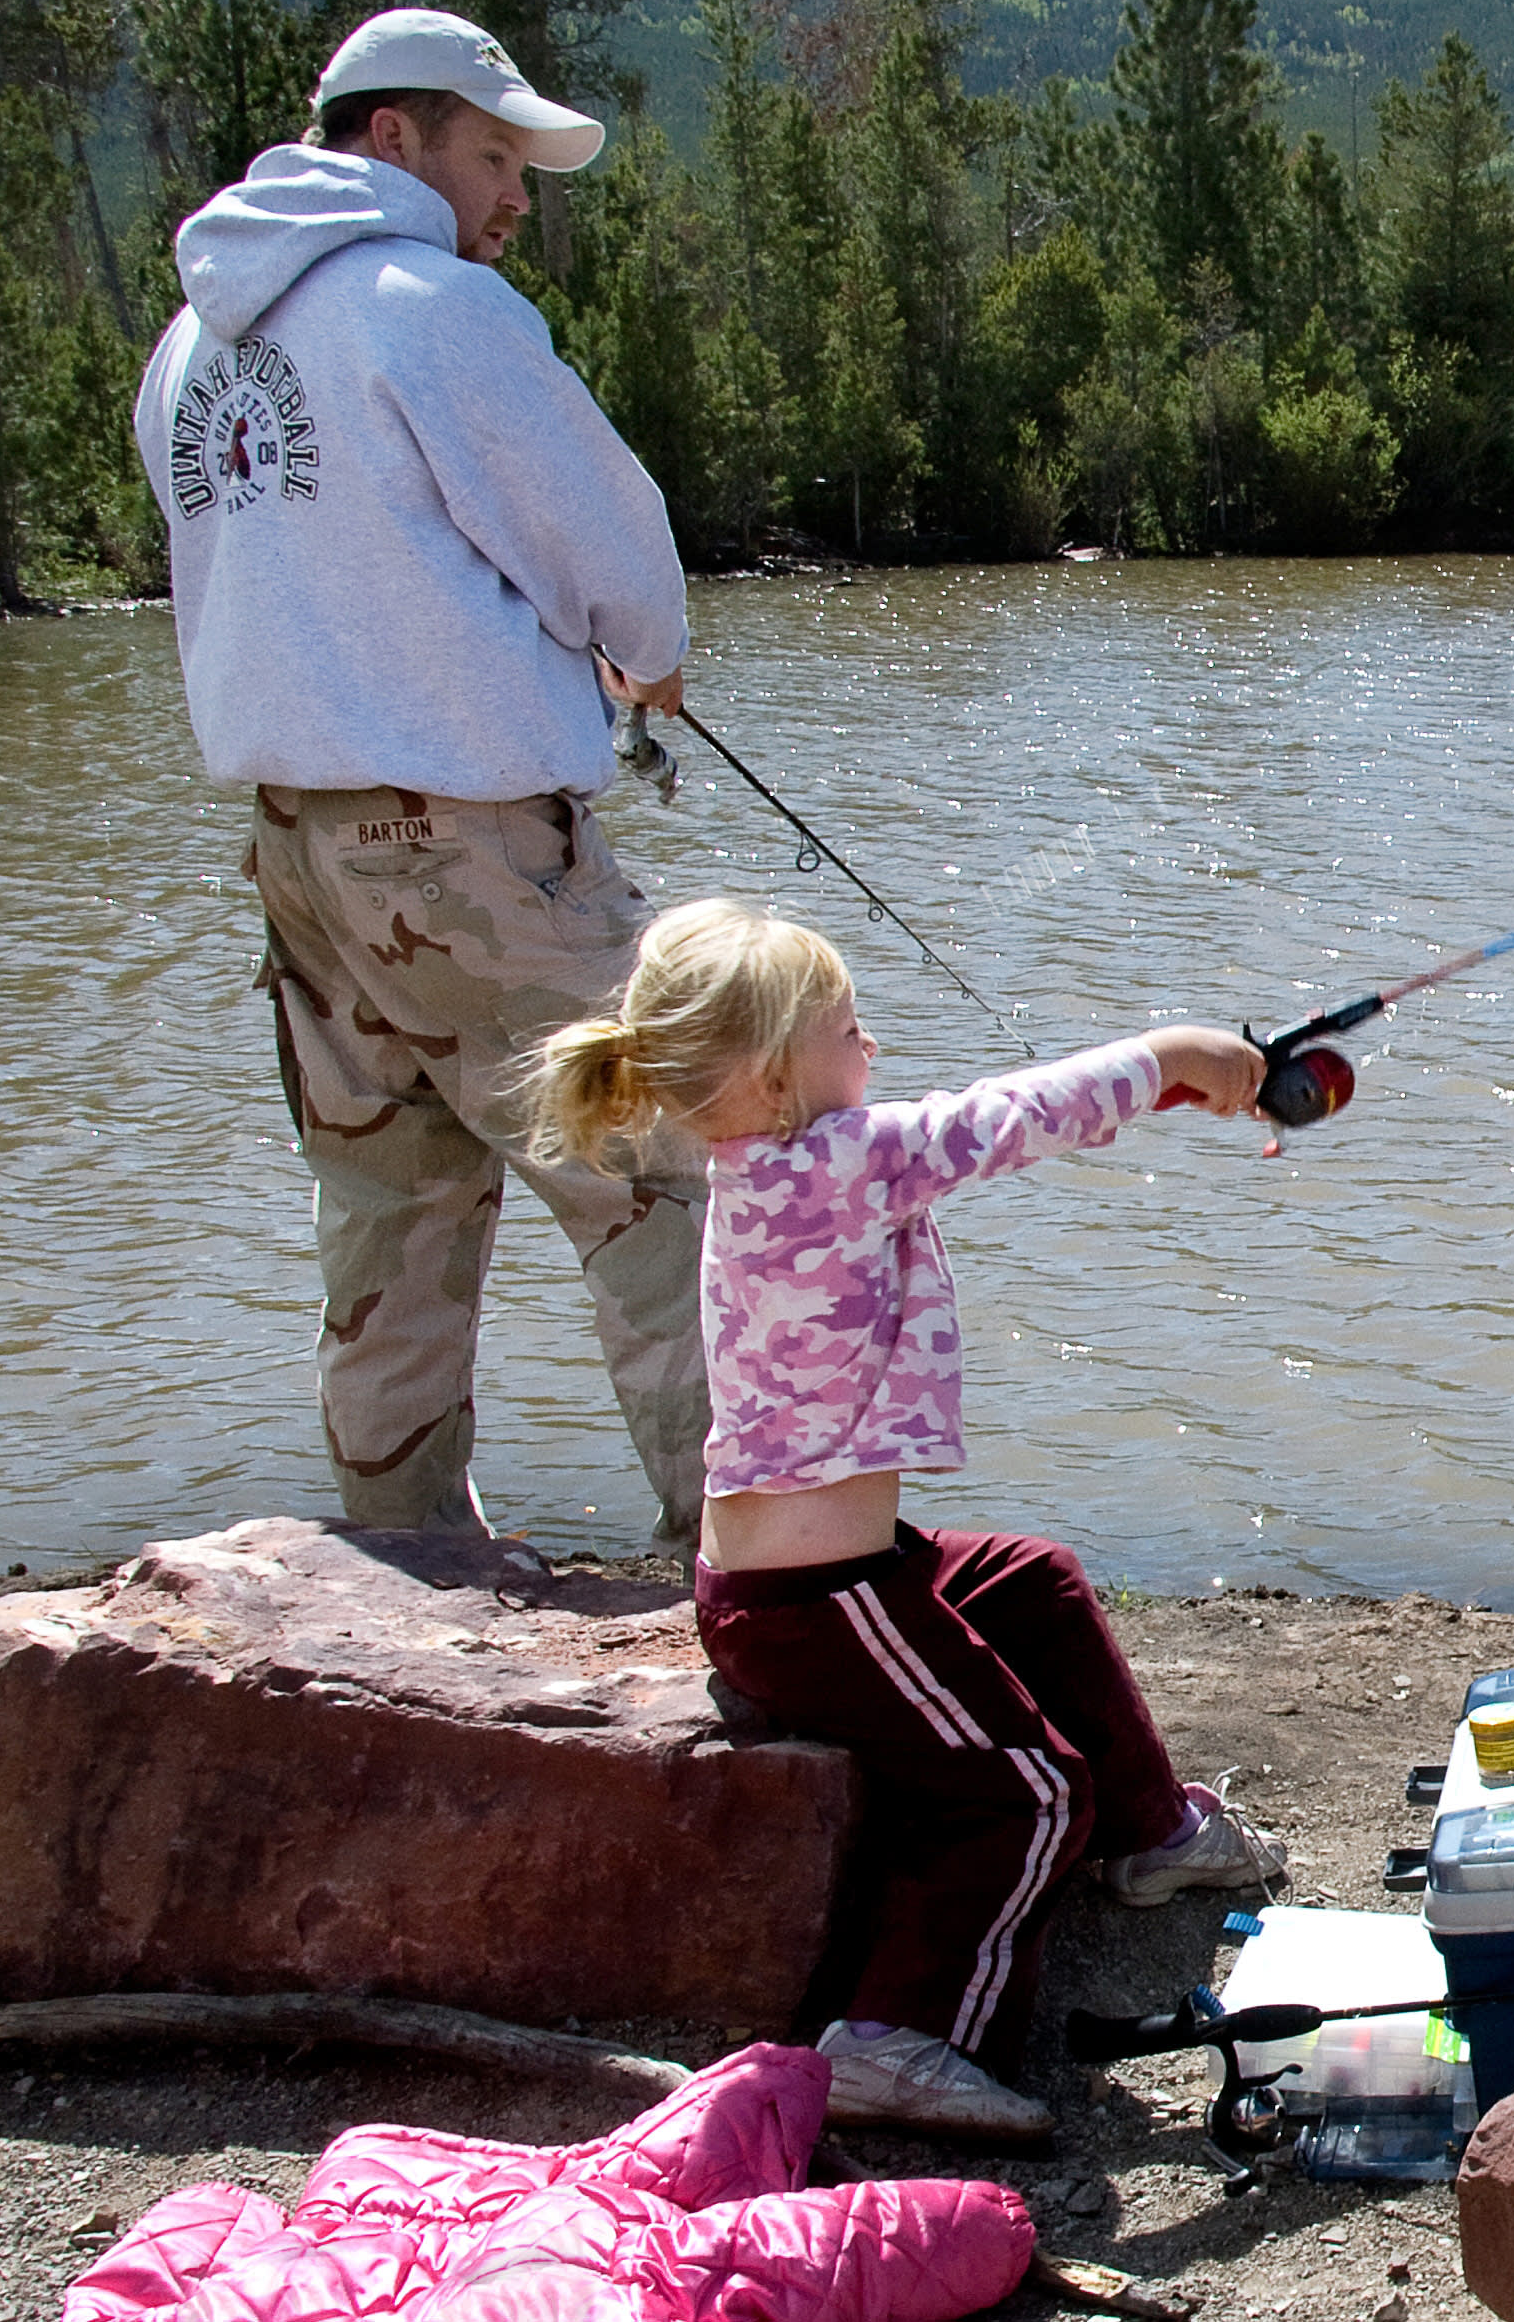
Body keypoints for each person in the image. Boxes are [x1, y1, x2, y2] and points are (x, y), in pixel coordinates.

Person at [528, 900, 1292, 2141]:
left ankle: (1151, 1835)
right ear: (775, 1074)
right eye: (846, 1028)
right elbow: (1004, 1119)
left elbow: (976, 1128)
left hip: (837, 1570)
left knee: (1032, 1579)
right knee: (1027, 1792)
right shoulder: (830, 1165)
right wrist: (1168, 1057)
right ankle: (900, 2039)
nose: (869, 1044)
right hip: (813, 1610)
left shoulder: (774, 1163)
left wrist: (1162, 1085)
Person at [131, 7, 708, 1546]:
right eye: (494, 154)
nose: (517, 193)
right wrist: (644, 661)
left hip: (294, 852)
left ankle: (401, 1563)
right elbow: (613, 549)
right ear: (396, 137)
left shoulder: (194, 344)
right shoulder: (432, 309)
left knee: (389, 1211)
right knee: (665, 1181)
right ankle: (754, 1573)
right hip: (470, 854)